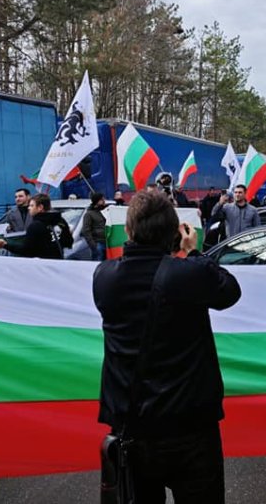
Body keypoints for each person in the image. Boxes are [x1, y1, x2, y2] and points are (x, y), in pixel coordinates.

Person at [93, 189, 241, 503]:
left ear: (129, 230)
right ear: (174, 232)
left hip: (131, 428)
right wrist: (194, 252)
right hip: (189, 427)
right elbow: (229, 291)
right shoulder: (187, 274)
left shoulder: (103, 277)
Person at [0, 193, 71, 259]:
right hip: (60, 261)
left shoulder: (35, 226)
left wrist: (5, 245)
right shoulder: (61, 221)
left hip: (43, 266)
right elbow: (69, 242)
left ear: (40, 207)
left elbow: (27, 251)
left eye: (31, 205)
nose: (29, 208)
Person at [82, 192, 108, 261]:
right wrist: (93, 245)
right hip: (98, 243)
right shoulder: (89, 214)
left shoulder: (106, 211)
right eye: (102, 200)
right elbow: (86, 231)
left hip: (108, 243)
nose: (104, 201)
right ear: (97, 202)